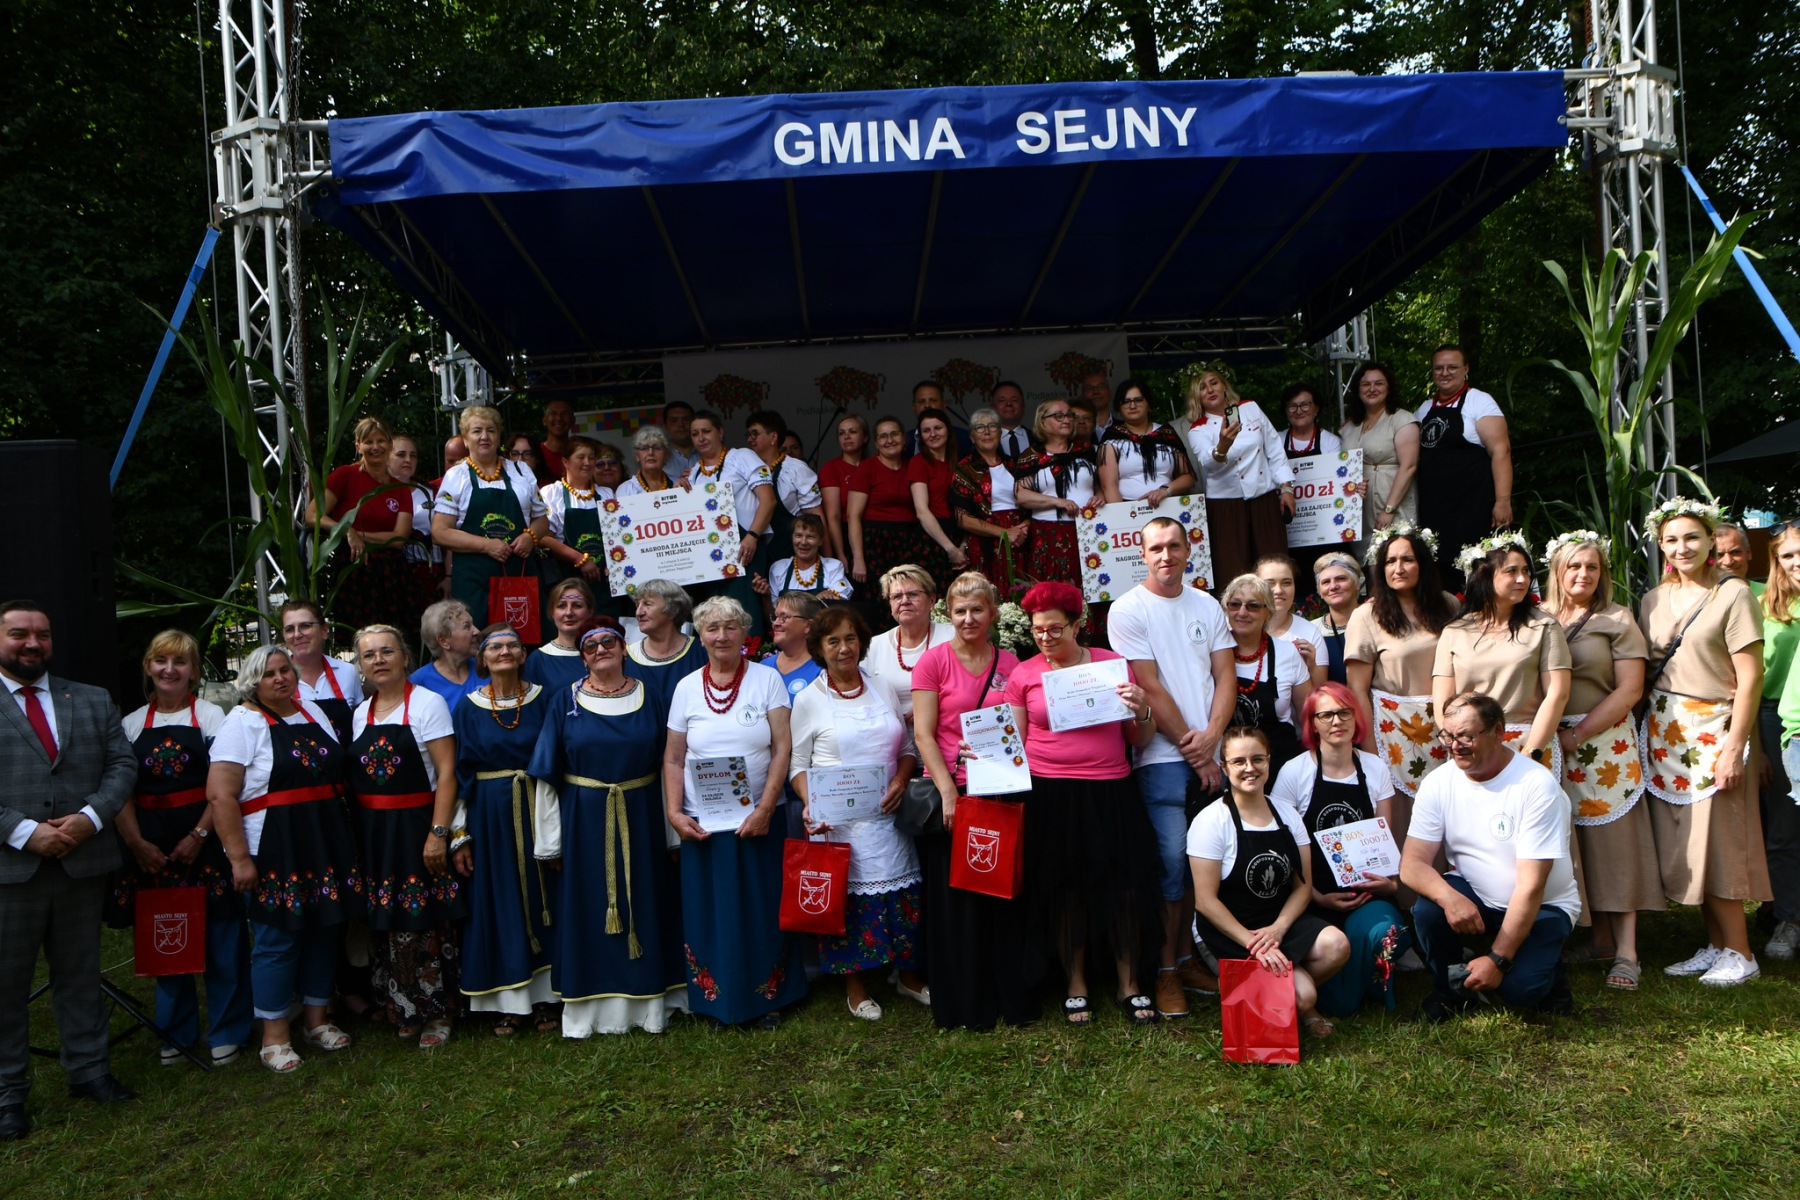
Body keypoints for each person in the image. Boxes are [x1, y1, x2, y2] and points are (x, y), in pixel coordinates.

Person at [0, 600, 138, 1138]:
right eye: (18, 634)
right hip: (10, 868)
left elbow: (121, 764)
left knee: (80, 975)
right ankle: (8, 1095)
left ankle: (89, 1071)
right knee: (6, 986)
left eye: (42, 634)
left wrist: (90, 817)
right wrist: (23, 831)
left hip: (82, 862)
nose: (32, 643)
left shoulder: (91, 698)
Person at [1006, 582, 1161, 1025]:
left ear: (1077, 626)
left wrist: (1142, 710)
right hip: (1050, 792)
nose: (1045, 637)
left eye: (1055, 628)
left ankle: (1129, 984)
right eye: (1038, 630)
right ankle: (1076, 984)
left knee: (1125, 886)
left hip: (1110, 788)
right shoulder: (1023, 674)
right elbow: (1013, 746)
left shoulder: (1112, 666)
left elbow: (1140, 739)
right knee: (1064, 889)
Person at [530, 617, 688, 1035]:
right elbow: (547, 775)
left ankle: (650, 1004)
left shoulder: (651, 697)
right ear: (582, 657)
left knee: (646, 900)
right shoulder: (564, 702)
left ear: (623, 648)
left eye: (609, 642)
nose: (601, 649)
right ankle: (591, 1011)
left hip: (643, 818)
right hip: (584, 823)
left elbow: (669, 766)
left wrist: (673, 832)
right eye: (591, 645)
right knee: (588, 907)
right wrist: (550, 843)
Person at [207, 645, 360, 1073]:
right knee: (277, 940)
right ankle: (274, 1036)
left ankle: (317, 1020)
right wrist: (239, 859)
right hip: (274, 845)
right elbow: (220, 796)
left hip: (324, 839)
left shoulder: (313, 712)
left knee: (325, 928)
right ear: (251, 682)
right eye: (268, 673)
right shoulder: (242, 722)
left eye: (284, 670)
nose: (279, 678)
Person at [1106, 517, 1236, 1016]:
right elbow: (1148, 685)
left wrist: (1212, 739)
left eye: (1174, 546)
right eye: (1156, 548)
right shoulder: (1128, 609)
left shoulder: (1207, 605)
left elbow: (1225, 676)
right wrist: (1194, 749)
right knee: (1169, 864)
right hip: (1162, 758)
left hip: (1210, 754)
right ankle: (1163, 971)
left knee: (1199, 864)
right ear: (1142, 554)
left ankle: (1185, 958)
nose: (1166, 556)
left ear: (1188, 549)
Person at [1640, 498, 1768, 986]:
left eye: (1692, 537)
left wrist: (1735, 746)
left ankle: (1742, 952)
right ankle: (1717, 945)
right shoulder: (1653, 600)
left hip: (1716, 727)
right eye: (1672, 540)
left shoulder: (1733, 595)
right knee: (1692, 841)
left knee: (1720, 842)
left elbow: (1750, 677)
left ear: (1711, 539)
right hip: (1668, 734)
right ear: (1661, 545)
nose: (1682, 547)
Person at [663, 597, 807, 1028]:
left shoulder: (767, 680)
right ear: (700, 636)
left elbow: (782, 747)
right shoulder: (686, 687)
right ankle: (714, 1000)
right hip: (704, 823)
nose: (722, 636)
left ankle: (768, 997)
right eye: (712, 628)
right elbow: (673, 758)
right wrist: (674, 813)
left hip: (758, 818)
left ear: (744, 632)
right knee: (712, 911)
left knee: (760, 908)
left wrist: (765, 808)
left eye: (730, 627)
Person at [114, 630, 247, 1068]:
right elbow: (120, 792)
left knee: (222, 938)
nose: (169, 669)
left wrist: (200, 835)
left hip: (205, 840)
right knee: (165, 939)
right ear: (148, 667)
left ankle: (227, 1030)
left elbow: (224, 784)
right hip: (152, 847)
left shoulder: (212, 716)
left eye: (180, 662)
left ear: (193, 672)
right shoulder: (131, 724)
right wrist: (136, 843)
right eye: (161, 661)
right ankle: (175, 1032)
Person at [1402, 691, 1580, 1019]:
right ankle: (1449, 992)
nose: (1455, 746)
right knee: (1429, 910)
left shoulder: (1536, 785)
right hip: (1477, 893)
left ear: (1498, 732)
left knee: (1520, 992)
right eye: (1448, 736)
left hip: (1544, 906)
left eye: (1467, 736)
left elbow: (1531, 887)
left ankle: (1550, 977)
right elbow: (1411, 865)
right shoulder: (1438, 782)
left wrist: (1498, 960)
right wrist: (1449, 899)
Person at [911, 573, 1038, 1029]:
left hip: (1001, 787)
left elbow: (1021, 727)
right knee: (958, 900)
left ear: (992, 613)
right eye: (960, 611)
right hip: (956, 792)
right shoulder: (932, 662)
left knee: (1002, 895)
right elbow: (923, 734)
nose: (968, 618)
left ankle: (1009, 996)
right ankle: (965, 1002)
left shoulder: (1011, 662)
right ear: (948, 613)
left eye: (977, 609)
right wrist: (948, 791)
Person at [790, 605, 927, 1020]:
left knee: (902, 897)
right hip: (838, 823)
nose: (844, 648)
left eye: (850, 638)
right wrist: (811, 803)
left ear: (862, 642)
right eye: (833, 641)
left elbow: (907, 749)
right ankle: (855, 987)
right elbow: (798, 765)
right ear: (819, 648)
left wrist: (900, 781)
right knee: (848, 903)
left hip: (889, 815)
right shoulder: (809, 699)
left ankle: (907, 976)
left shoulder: (882, 686)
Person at [1542, 531, 1656, 991]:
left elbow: (1631, 689)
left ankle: (1628, 951)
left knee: (1614, 842)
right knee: (1576, 843)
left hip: (1604, 740)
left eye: (1592, 566)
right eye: (1574, 566)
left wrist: (1579, 734)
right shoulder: (1539, 618)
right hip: (1554, 743)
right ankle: (1600, 939)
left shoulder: (1617, 618)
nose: (1583, 574)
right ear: (1557, 571)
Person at [1189, 726, 1350, 1040]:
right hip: (1230, 931)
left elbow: (1303, 886)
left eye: (1257, 759)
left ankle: (1268, 994)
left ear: (1269, 760)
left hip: (1277, 924)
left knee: (1337, 945)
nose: (1249, 768)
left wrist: (1278, 929)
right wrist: (1254, 944)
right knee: (1305, 996)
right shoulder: (1210, 822)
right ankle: (1299, 1005)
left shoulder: (1287, 814)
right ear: (1224, 767)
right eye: (1239, 762)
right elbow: (1205, 902)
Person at [347, 625, 463, 1045]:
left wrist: (438, 833)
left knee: (425, 918)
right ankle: (402, 1005)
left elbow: (447, 773)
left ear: (405, 657)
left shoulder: (428, 703)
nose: (378, 660)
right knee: (388, 920)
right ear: (361, 666)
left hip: (416, 826)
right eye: (369, 655)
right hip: (376, 833)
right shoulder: (361, 712)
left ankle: (439, 1011)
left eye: (387, 651)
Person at [1270, 684, 1409, 1016]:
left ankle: (1365, 978)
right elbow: (1281, 847)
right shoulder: (1294, 772)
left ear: (1355, 717)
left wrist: (1389, 884)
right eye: (1326, 715)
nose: (1337, 721)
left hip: (1365, 896)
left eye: (1344, 712)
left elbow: (1385, 840)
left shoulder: (1374, 768)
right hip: (1311, 900)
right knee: (1342, 1004)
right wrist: (1317, 897)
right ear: (1312, 723)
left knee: (1388, 932)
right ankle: (1355, 982)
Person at [451, 623, 557, 1035]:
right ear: (482, 658)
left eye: (512, 644)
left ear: (523, 654)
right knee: (501, 899)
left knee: (545, 895)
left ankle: (548, 997)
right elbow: (459, 773)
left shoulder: (545, 699)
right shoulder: (468, 707)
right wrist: (459, 834)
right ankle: (510, 1001)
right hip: (490, 816)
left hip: (539, 807)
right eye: (495, 646)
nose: (504, 651)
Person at [1433, 534, 1572, 775]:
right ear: (1484, 576)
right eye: (1511, 571)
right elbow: (1442, 701)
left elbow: (1558, 694)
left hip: (1529, 744)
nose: (1522, 579)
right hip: (1469, 747)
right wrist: (1457, 741)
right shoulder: (1455, 631)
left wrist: (1531, 753)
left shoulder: (1544, 626)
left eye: (1526, 571)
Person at [1345, 527, 1458, 819]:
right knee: (1404, 819)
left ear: (1423, 563)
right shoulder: (1366, 616)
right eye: (1390, 561)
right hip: (1394, 732)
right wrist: (1372, 755)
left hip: (1448, 728)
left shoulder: (1448, 604)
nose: (1398, 568)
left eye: (1407, 559)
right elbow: (1357, 690)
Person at [431, 405, 550, 625]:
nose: (484, 436)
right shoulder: (456, 476)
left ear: (498, 437)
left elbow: (542, 519)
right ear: (466, 440)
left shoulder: (521, 471)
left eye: (491, 430)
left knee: (525, 634)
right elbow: (440, 532)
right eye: (477, 431)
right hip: (474, 579)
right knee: (475, 637)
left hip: (519, 574)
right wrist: (486, 545)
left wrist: (530, 537)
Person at [1183, 364, 1296, 583]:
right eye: (1202, 388)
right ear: (1197, 398)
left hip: (1263, 499)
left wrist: (1286, 488)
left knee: (1273, 564)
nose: (1210, 390)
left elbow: (1274, 449)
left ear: (1224, 386)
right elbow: (1209, 464)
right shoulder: (1198, 429)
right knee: (1232, 570)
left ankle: (1278, 604)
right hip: (1226, 506)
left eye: (1214, 383)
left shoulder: (1250, 408)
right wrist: (1222, 445)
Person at [306, 417, 416, 634]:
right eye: (368, 442)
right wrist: (346, 530)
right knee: (358, 634)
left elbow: (399, 538)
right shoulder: (345, 475)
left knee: (396, 634)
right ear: (358, 446)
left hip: (392, 574)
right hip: (354, 569)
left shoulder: (400, 488)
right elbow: (312, 515)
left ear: (390, 445)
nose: (375, 447)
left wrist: (359, 535)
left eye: (380, 441)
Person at [1413, 346, 1512, 585]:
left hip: (1473, 508)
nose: (1445, 373)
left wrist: (1503, 501)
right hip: (1434, 511)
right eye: (1439, 368)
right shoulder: (1424, 409)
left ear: (1466, 369)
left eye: (1452, 367)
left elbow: (1501, 451)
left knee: (1477, 571)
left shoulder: (1479, 401)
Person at [679, 409, 777, 637]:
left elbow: (768, 500)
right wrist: (677, 493)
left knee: (744, 609)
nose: (701, 438)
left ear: (720, 432)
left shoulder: (741, 457)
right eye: (695, 433)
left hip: (745, 548)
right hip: (710, 557)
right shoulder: (693, 473)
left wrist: (752, 536)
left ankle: (752, 653)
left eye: (706, 431)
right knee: (714, 614)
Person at [1757, 522, 1800, 960]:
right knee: (1784, 825)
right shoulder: (1763, 606)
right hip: (1776, 719)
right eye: (1788, 555)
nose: (1796, 562)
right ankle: (1789, 918)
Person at [1221, 574, 1314, 776]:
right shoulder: (1214, 653)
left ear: (1268, 613)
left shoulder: (1288, 653)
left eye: (1253, 606)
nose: (1242, 612)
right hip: (1231, 769)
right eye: (1235, 604)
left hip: (1281, 767)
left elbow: (1308, 716)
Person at [1013, 398, 1099, 586]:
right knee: (1050, 590)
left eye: (1069, 415)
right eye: (1059, 416)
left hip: (1087, 529)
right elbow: (1021, 495)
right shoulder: (1032, 456)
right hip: (1048, 533)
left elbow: (1100, 485)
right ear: (1043, 421)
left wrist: (1100, 498)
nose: (1066, 420)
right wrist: (1058, 501)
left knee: (1089, 585)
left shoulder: (1086, 451)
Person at [950, 407, 1031, 592]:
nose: (986, 431)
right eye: (980, 427)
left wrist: (1024, 528)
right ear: (972, 437)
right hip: (985, 543)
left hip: (1020, 540)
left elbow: (1032, 505)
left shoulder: (1015, 465)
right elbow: (962, 519)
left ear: (1000, 432)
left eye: (992, 426)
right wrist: (1004, 533)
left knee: (1022, 592)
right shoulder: (965, 470)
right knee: (988, 594)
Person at [848, 416, 928, 596]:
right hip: (875, 544)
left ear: (904, 438)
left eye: (894, 434)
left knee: (908, 594)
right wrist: (858, 559)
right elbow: (853, 516)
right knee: (880, 597)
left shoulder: (912, 466)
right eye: (883, 436)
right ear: (876, 443)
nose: (889, 440)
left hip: (908, 542)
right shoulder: (866, 468)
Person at [1277, 384, 1345, 597]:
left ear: (1316, 409)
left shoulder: (1331, 442)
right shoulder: (1277, 441)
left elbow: (1339, 482)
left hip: (1323, 528)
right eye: (1292, 406)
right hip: (1288, 527)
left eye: (1305, 405)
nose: (1299, 411)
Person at [1338, 361, 1419, 538]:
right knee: (1363, 554)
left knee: (1394, 549)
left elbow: (1409, 466)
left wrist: (1389, 509)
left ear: (1389, 388)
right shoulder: (1349, 426)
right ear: (1358, 389)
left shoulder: (1403, 420)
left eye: (1379, 383)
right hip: (1357, 509)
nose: (1372, 389)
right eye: (1366, 384)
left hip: (1392, 502)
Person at [864, 565, 954, 716]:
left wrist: (929, 707)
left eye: (913, 594)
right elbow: (865, 697)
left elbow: (971, 685)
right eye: (897, 596)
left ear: (932, 601)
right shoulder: (874, 646)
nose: (904, 601)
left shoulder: (952, 636)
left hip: (947, 725)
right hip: (895, 729)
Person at [277, 599, 362, 745]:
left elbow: (360, 725)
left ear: (324, 631)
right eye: (290, 629)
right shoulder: (278, 680)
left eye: (305, 626)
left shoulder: (347, 672)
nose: (297, 634)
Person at [743, 410, 823, 567]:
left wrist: (828, 558)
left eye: (755, 434)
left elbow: (817, 517)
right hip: (755, 557)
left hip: (790, 557)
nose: (750, 439)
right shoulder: (743, 469)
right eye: (748, 434)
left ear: (773, 437)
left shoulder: (795, 469)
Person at [1099, 379, 1196, 507]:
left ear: (1148, 403)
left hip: (1168, 507)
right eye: (1125, 401)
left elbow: (1188, 477)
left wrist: (1165, 490)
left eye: (1138, 400)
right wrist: (1122, 514)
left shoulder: (1165, 434)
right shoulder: (1112, 437)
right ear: (1119, 407)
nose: (1132, 406)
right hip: (1129, 510)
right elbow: (1108, 485)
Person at [624, 579, 708, 725]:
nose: (639, 612)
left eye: (648, 604)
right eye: (637, 605)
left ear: (673, 610)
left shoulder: (701, 651)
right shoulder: (625, 656)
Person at [908, 408, 969, 590]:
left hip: (959, 533)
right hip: (932, 538)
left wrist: (963, 545)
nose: (933, 434)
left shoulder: (959, 462)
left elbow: (970, 507)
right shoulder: (919, 462)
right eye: (926, 430)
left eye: (938, 428)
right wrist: (950, 548)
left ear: (948, 430)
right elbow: (922, 511)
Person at [539, 435, 611, 590]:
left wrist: (614, 565)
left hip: (604, 579)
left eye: (591, 458)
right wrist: (579, 559)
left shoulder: (606, 494)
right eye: (581, 457)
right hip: (567, 578)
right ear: (566, 462)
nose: (587, 462)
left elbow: (616, 536)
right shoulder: (552, 493)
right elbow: (544, 538)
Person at [387, 434, 445, 619]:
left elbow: (449, 531)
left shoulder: (432, 492)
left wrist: (449, 576)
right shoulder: (376, 494)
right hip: (393, 575)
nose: (408, 460)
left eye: (413, 455)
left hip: (433, 573)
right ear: (386, 457)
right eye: (401, 454)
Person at [1256, 554, 1328, 687]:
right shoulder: (1238, 628)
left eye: (1286, 583)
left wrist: (1311, 665)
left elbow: (1323, 691)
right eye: (1269, 583)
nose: (1278, 590)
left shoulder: (1310, 632)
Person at [524, 579, 596, 694]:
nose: (569, 613)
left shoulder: (604, 653)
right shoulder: (538, 660)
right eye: (561, 606)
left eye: (577, 605)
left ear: (590, 611)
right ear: (551, 612)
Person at [759, 513, 852, 600]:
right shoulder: (779, 569)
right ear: (792, 538)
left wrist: (830, 595)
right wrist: (765, 596)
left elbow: (842, 597)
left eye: (810, 537)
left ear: (820, 540)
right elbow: (773, 609)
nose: (803, 542)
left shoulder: (833, 567)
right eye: (798, 536)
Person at [410, 599, 483, 708]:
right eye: (467, 626)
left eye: (473, 625)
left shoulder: (486, 668)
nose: (477, 631)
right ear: (443, 641)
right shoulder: (418, 683)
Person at [818, 414, 869, 565]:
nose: (846, 437)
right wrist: (839, 553)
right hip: (844, 534)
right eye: (841, 433)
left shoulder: (873, 465)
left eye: (853, 431)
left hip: (874, 533)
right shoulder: (831, 468)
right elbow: (833, 516)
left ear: (865, 437)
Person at [1311, 551, 1363, 686]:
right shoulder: (1311, 631)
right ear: (1319, 591)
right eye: (1326, 582)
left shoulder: (1378, 620)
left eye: (1341, 579)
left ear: (1357, 584)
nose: (1333, 586)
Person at [906, 381, 972, 458]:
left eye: (933, 400)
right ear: (913, 406)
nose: (927, 405)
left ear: (943, 404)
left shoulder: (965, 438)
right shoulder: (904, 440)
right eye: (921, 401)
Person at [616, 424, 677, 500]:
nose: (650, 453)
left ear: (666, 454)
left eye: (657, 448)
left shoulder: (677, 484)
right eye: (644, 448)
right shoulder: (626, 490)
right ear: (637, 456)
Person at [536, 398, 577, 485]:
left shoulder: (581, 456)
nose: (559, 418)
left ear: (573, 421)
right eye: (553, 413)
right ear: (544, 420)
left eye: (564, 414)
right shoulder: (534, 454)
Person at [990, 380, 1036, 459]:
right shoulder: (981, 441)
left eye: (1014, 400)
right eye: (1002, 400)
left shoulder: (1038, 440)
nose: (1009, 404)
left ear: (1023, 407)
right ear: (992, 408)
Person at [660, 400, 697, 480]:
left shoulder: (707, 450)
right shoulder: (659, 456)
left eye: (686, 419)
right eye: (674, 420)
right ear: (665, 426)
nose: (681, 424)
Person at [1081, 369, 1114, 434]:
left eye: (1101, 387)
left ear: (1110, 393)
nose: (1096, 392)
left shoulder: (1125, 428)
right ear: (1083, 396)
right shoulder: (1077, 429)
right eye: (1089, 388)